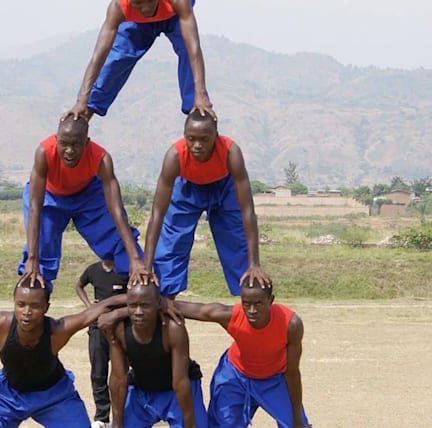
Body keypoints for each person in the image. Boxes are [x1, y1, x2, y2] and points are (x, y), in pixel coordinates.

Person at [143, 110, 271, 297]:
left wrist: (254, 264)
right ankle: (166, 304)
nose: (197, 145)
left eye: (204, 139)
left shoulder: (230, 152)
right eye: (191, 138)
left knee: (237, 242)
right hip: (187, 189)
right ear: (184, 136)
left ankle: (250, 304)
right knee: (172, 243)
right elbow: (157, 213)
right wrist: (147, 267)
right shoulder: (175, 156)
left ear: (215, 137)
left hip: (224, 187)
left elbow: (247, 211)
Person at [0, 281, 128, 428]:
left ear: (46, 307)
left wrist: (131, 303)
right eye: (21, 305)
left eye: (35, 306)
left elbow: (103, 306)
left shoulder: (58, 330)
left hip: (54, 395)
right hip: (10, 393)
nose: (27, 312)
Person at [17, 116, 145, 290]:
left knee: (121, 246)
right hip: (49, 197)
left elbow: (116, 210)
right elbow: (34, 207)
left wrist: (135, 259)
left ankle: (140, 297)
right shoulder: (44, 152)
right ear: (56, 139)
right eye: (64, 143)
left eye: (76, 144)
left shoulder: (101, 158)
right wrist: (33, 258)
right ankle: (32, 301)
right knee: (39, 256)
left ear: (87, 143)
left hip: (88, 196)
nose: (69, 150)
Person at [172, 278, 312, 428]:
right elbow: (198, 310)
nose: (252, 310)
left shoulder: (290, 324)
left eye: (258, 304)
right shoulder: (233, 316)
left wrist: (297, 419)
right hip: (235, 377)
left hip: (275, 379)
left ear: (270, 300)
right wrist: (161, 302)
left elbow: (292, 372)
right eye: (246, 303)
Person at [61, 0, 216, 121]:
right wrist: (82, 100)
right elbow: (99, 56)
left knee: (187, 51)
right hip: (138, 23)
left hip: (174, 15)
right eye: (138, 2)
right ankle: (83, 115)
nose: (146, 9)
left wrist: (200, 93)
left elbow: (193, 48)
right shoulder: (119, 7)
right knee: (115, 60)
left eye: (149, 1)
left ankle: (197, 112)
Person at [107, 283, 208, 427]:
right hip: (142, 390)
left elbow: (180, 381)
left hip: (177, 391)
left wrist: (190, 423)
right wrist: (117, 422)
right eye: (133, 306)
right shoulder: (120, 329)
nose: (138, 312)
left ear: (159, 304)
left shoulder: (173, 329)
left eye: (145, 305)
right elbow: (118, 378)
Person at [74, 259, 129, 428]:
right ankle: (101, 417)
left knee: (122, 373)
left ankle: (123, 416)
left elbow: (133, 295)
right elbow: (79, 285)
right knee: (98, 372)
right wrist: (89, 306)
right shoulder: (93, 270)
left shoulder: (125, 270)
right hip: (98, 327)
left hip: (121, 327)